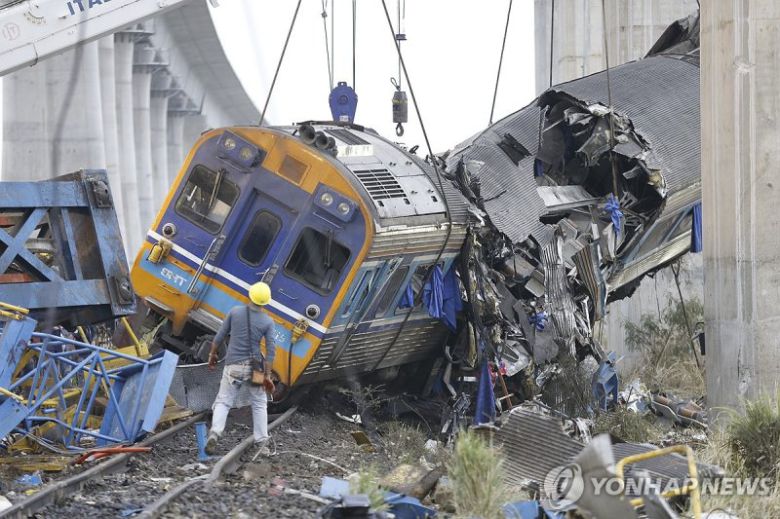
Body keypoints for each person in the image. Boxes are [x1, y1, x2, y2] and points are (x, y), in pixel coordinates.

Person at [205, 282, 276, 455]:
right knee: (259, 403)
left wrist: (212, 355)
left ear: (250, 296)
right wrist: (267, 376)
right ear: (265, 302)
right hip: (255, 369)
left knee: (224, 400)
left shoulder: (234, 312)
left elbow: (220, 336)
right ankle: (261, 442)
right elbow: (271, 352)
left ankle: (215, 433)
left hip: (233, 365)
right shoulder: (268, 322)